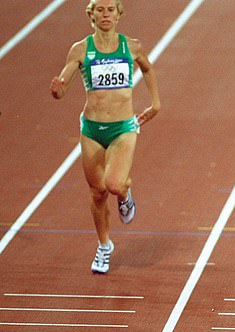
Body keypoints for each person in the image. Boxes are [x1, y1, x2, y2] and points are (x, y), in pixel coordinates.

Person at [50, 0, 160, 274]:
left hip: (123, 127)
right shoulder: (80, 49)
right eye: (100, 9)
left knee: (113, 184)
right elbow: (63, 85)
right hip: (91, 129)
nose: (105, 14)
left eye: (110, 9)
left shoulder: (131, 46)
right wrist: (57, 90)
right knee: (97, 191)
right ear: (92, 14)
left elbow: (147, 68)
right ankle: (104, 246)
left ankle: (125, 192)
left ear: (119, 14)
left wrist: (155, 103)